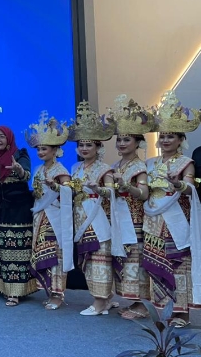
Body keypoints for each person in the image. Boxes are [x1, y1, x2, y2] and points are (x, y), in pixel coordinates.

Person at [142, 90, 201, 328]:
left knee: (179, 264)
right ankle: (164, 310)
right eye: (163, 136)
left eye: (171, 136)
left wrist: (177, 184)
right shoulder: (150, 163)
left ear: (180, 140)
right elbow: (144, 191)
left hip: (175, 218)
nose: (166, 140)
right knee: (157, 263)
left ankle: (182, 314)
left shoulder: (186, 163)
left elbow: (189, 187)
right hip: (152, 218)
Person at [68, 102, 117, 316]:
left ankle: (99, 301)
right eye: (81, 145)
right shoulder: (75, 167)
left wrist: (98, 189)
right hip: (80, 218)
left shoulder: (105, 169)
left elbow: (111, 192)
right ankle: (105, 299)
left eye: (89, 145)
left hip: (97, 219)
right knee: (88, 262)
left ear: (98, 147)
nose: (84, 148)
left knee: (100, 260)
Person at [106, 96, 152, 321]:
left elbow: (144, 194)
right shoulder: (116, 166)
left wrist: (127, 187)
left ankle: (142, 305)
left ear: (138, 142)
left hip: (134, 220)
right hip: (118, 218)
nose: (122, 143)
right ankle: (134, 301)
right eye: (120, 140)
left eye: (127, 139)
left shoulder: (139, 166)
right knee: (125, 260)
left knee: (136, 261)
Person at [0, 125, 36, 306]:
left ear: (9, 139)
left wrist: (18, 169)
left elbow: (26, 176)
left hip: (19, 209)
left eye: (2, 136)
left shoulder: (20, 154)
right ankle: (4, 288)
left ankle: (16, 292)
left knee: (16, 250)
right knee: (1, 251)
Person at [27, 113, 72, 310]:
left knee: (56, 256)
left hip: (55, 218)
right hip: (40, 217)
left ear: (55, 150)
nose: (40, 152)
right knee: (43, 254)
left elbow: (70, 192)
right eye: (38, 149)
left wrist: (55, 186)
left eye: (44, 148)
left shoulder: (61, 170)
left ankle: (58, 294)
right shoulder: (38, 170)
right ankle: (49, 291)